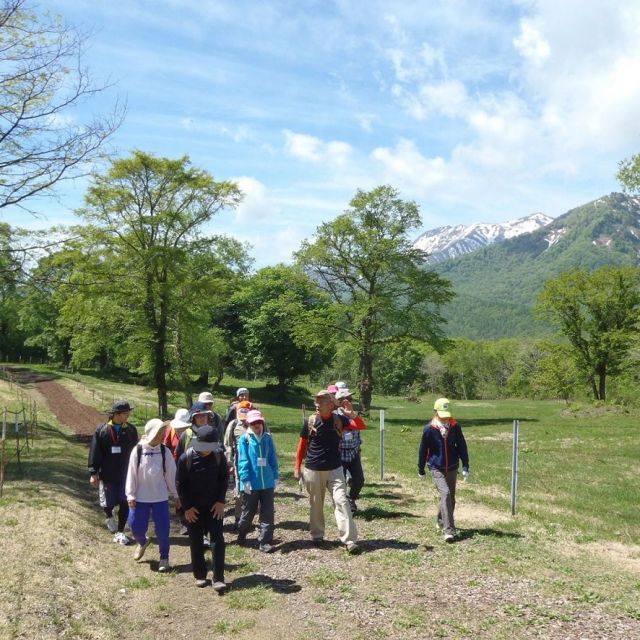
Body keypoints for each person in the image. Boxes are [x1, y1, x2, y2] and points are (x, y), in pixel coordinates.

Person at [293, 390, 365, 553]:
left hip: (335, 469)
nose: (317, 404)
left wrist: (352, 414)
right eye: (316, 401)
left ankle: (350, 540)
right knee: (316, 504)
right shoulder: (310, 421)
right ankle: (317, 535)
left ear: (331, 404)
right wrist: (297, 467)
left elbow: (361, 426)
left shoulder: (340, 419)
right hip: (313, 468)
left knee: (342, 501)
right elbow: (302, 446)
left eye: (321, 401)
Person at [176, 424, 229, 592]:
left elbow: (224, 479)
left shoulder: (219, 456)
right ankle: (200, 575)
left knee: (218, 541)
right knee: (196, 541)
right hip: (194, 509)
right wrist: (187, 508)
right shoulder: (186, 458)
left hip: (214, 507)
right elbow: (180, 484)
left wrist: (221, 501)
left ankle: (218, 578)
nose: (209, 450)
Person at [125, 418, 179, 572]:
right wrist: (130, 495)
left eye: (164, 432)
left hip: (160, 498)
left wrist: (176, 495)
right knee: (135, 526)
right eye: (160, 432)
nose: (163, 435)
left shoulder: (164, 451)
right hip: (140, 497)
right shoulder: (138, 450)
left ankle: (164, 557)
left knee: (163, 530)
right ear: (153, 433)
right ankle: (142, 542)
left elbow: (171, 475)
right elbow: (131, 474)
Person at [418, 397, 470, 542]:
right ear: (435, 412)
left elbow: (461, 446)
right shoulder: (429, 429)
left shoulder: (455, 426)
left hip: (452, 467)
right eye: (442, 415)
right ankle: (449, 531)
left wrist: (465, 464)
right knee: (445, 494)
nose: (446, 419)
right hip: (436, 467)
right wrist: (420, 469)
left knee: (451, 499)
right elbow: (423, 450)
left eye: (447, 415)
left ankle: (441, 520)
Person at [88, 400, 139, 545]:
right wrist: (93, 472)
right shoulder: (102, 431)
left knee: (124, 502)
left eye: (128, 412)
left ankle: (121, 531)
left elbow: (136, 451)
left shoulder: (131, 430)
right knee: (108, 502)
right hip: (108, 474)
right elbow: (95, 452)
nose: (128, 415)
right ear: (116, 414)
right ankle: (109, 516)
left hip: (126, 475)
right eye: (125, 413)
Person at [236, 410, 279, 553]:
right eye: (253, 423)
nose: (256, 425)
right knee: (248, 511)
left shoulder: (267, 438)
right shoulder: (245, 439)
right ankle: (242, 533)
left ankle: (265, 541)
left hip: (267, 482)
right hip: (251, 483)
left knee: (267, 512)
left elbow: (272, 457)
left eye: (259, 422)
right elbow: (242, 460)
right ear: (248, 423)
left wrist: (275, 475)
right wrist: (245, 479)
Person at [335, 388, 367, 514]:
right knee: (340, 482)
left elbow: (361, 426)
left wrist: (352, 414)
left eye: (350, 399)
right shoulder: (335, 416)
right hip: (339, 453)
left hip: (354, 452)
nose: (349, 401)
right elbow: (350, 426)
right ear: (339, 402)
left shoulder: (353, 414)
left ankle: (351, 499)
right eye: (346, 399)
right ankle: (343, 507)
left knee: (359, 480)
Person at [223, 400, 253, 528]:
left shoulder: (258, 423)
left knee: (253, 490)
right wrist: (230, 463)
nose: (244, 420)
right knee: (240, 490)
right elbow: (228, 445)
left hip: (255, 462)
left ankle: (249, 517)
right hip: (239, 461)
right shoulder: (233, 424)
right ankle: (238, 518)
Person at [163, 408, 193, 535]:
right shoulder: (171, 430)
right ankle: (183, 522)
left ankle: (193, 521)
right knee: (179, 494)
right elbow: (166, 447)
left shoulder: (192, 433)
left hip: (191, 467)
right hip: (175, 467)